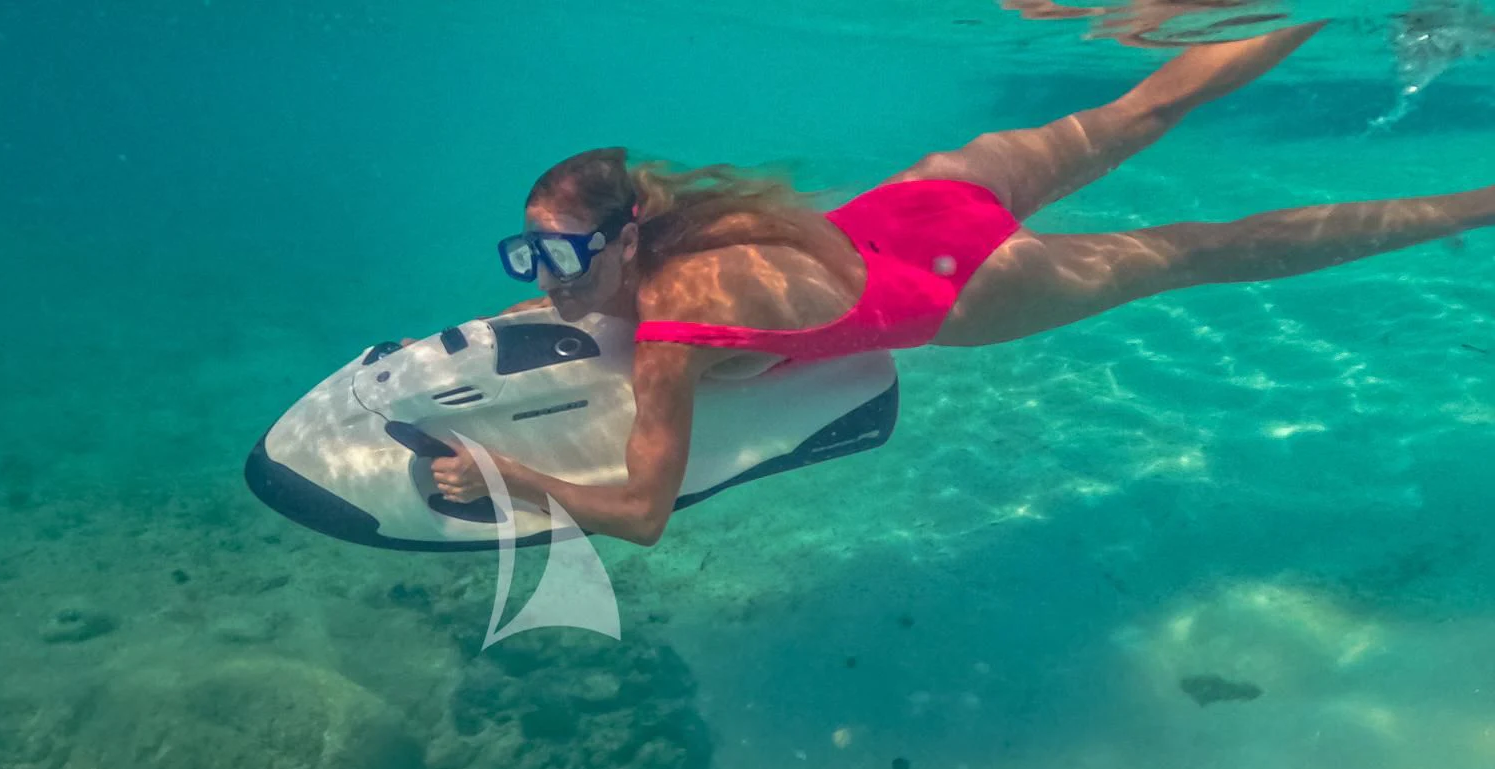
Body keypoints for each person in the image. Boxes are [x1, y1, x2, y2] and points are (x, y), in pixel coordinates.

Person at [429, 21, 1495, 546]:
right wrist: (562, 300)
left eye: (565, 256)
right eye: (527, 259)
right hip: (923, 203)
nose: (548, 280)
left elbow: (642, 514)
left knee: (1197, 250)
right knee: (1134, 111)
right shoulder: (684, 230)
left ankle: (1480, 204)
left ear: (625, 239)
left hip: (961, 285)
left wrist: (509, 479)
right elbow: (642, 298)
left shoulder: (671, 329)